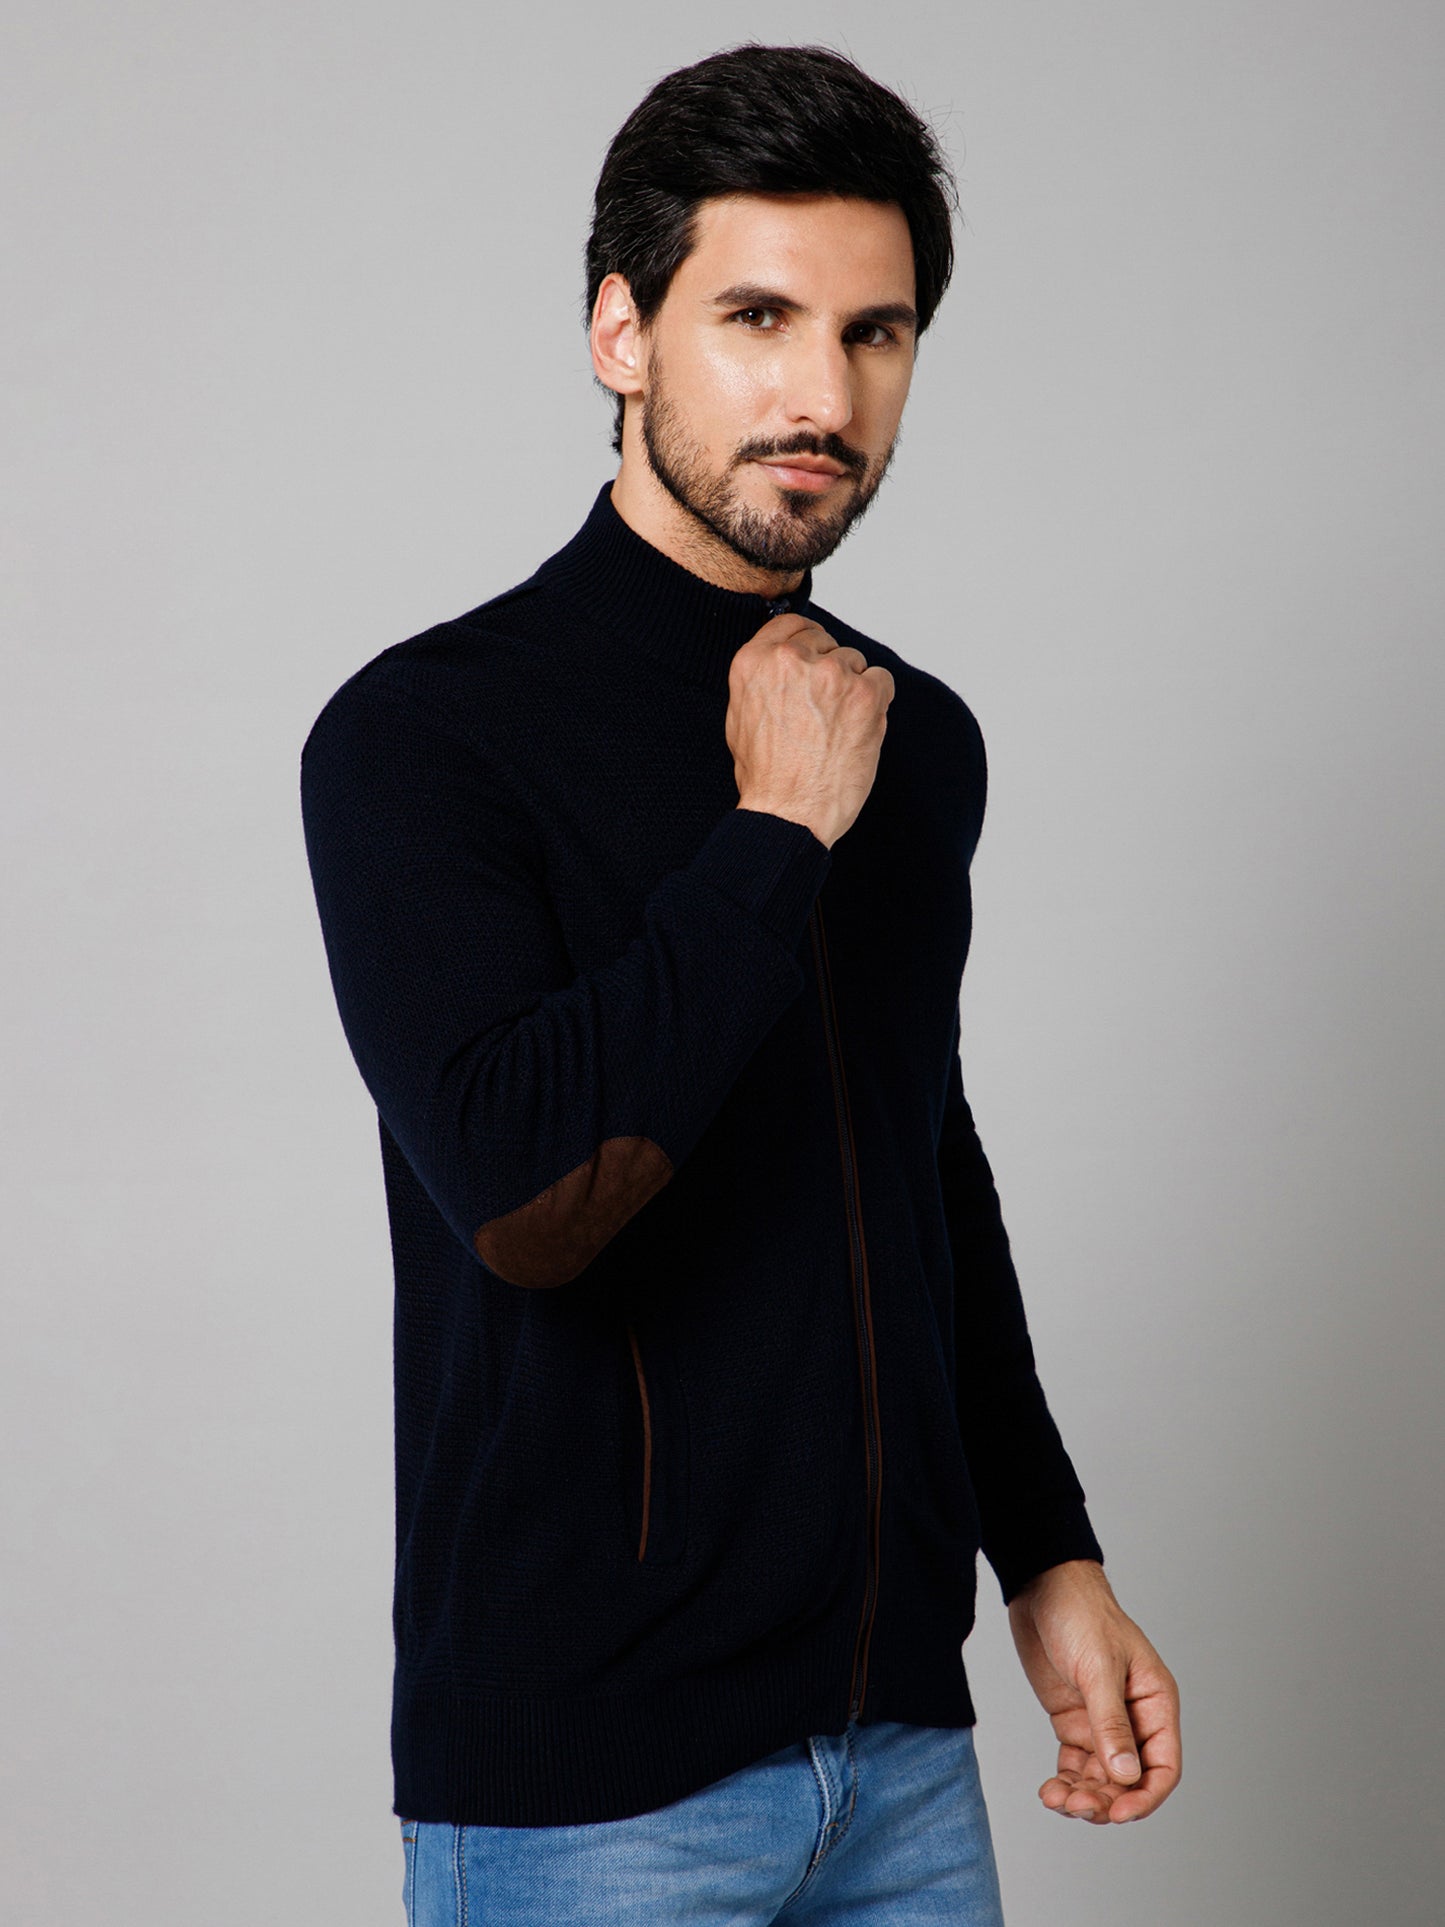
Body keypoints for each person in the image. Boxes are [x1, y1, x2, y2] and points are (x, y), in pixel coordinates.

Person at [300, 40, 1181, 1927]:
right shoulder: (424, 737)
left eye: (875, 333)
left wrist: (1047, 1557)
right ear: (621, 333)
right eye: (757, 317)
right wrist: (772, 832)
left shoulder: (909, 736)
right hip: (590, 1791)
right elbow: (528, 1201)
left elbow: (919, 1162)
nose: (821, 395)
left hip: (901, 1761)